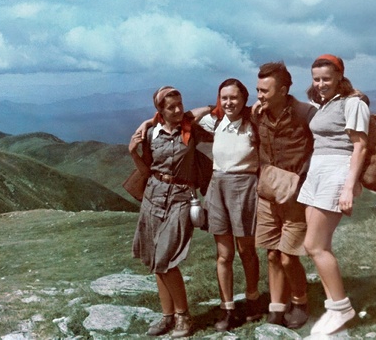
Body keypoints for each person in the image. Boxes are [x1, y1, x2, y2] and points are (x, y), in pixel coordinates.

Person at [297, 54, 369, 335]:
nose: (321, 83)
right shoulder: (325, 103)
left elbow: (360, 146)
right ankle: (333, 306)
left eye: (327, 78)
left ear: (339, 75)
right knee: (316, 245)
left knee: (315, 245)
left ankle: (342, 308)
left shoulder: (353, 102)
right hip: (317, 170)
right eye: (316, 79)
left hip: (337, 171)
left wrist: (349, 187)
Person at [129, 86, 202, 338]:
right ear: (160, 109)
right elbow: (145, 170)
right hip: (153, 197)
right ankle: (167, 317)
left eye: (180, 104)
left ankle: (183, 317)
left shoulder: (191, 129)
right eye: (171, 107)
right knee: (155, 261)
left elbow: (210, 109)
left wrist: (150, 118)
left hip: (181, 198)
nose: (178, 110)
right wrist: (132, 151)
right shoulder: (150, 134)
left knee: (165, 258)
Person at [252, 61, 316, 328]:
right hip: (267, 192)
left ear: (283, 90)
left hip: (295, 195)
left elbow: (325, 140)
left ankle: (300, 302)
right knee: (271, 254)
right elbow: (222, 110)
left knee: (289, 255)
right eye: (257, 90)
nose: (259, 96)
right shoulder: (258, 114)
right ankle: (277, 307)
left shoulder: (305, 113)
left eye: (265, 91)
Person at [196, 78, 262, 331]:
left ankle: (253, 300)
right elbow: (188, 118)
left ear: (244, 99)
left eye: (234, 97)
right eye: (224, 97)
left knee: (246, 251)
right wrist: (212, 108)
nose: (229, 102)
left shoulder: (253, 125)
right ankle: (228, 308)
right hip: (218, 187)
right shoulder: (216, 122)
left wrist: (252, 110)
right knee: (224, 254)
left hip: (245, 187)